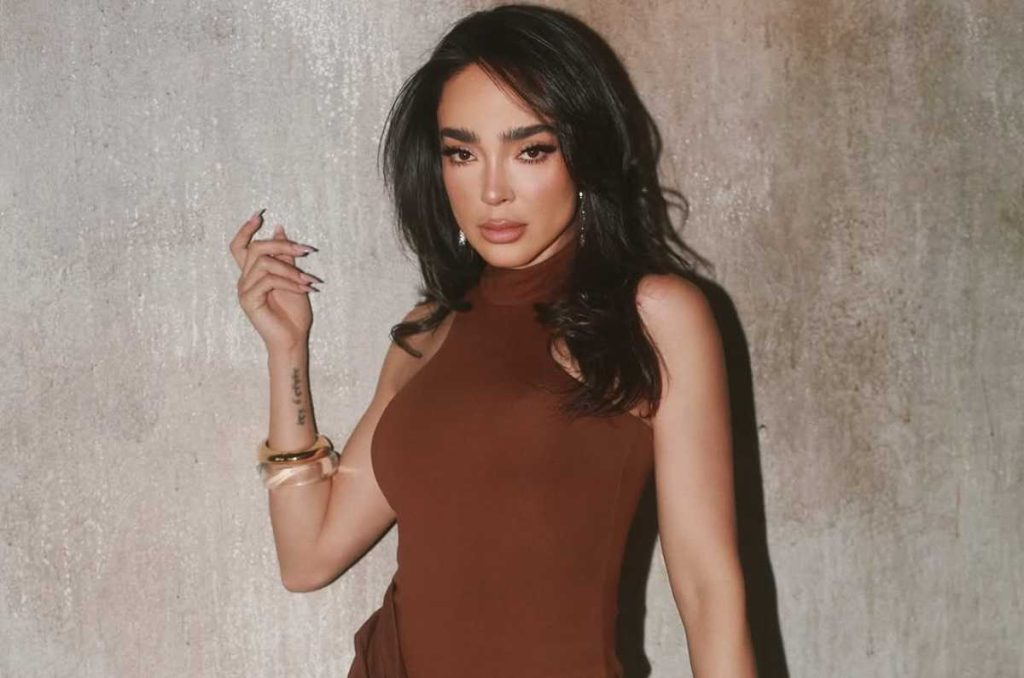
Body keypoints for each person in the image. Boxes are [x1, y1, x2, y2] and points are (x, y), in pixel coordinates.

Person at [229, 4, 756, 677]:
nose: (493, 190)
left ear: (584, 154)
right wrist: (287, 352)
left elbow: (710, 592)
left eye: (531, 150)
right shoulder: (428, 333)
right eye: (463, 153)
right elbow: (309, 558)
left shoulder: (652, 316)